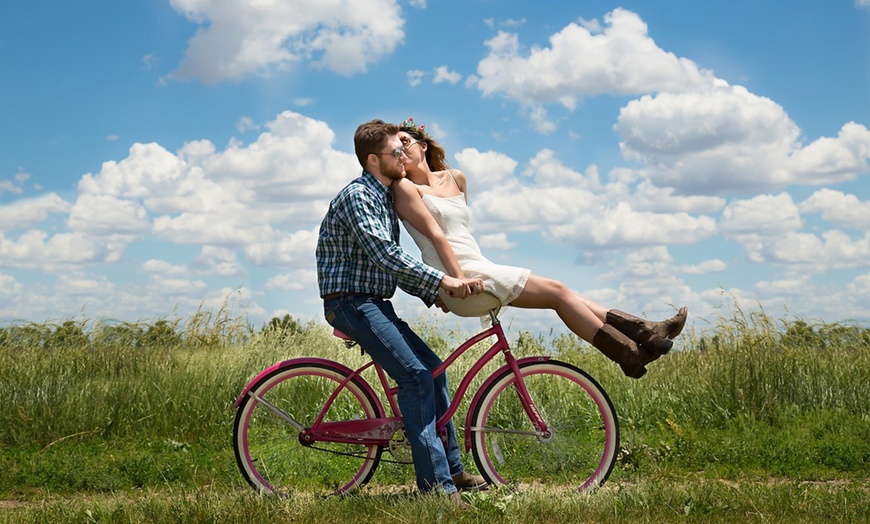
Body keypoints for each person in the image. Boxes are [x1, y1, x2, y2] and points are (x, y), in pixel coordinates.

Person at [393, 118, 688, 379]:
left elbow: (462, 234)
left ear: (422, 144)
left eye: (405, 142)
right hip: (459, 278)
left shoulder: (456, 178)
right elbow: (437, 238)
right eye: (394, 149)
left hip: (476, 266)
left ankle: (643, 336)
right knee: (559, 293)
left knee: (563, 293)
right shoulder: (406, 189)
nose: (401, 151)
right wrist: (450, 283)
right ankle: (633, 347)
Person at [316, 119, 488, 505]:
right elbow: (386, 255)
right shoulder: (359, 196)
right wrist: (443, 282)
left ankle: (454, 471)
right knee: (416, 379)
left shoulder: (383, 197)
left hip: (374, 301)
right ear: (374, 159)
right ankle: (437, 489)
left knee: (434, 370)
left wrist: (433, 293)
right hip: (350, 303)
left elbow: (388, 265)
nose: (403, 157)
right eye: (397, 151)